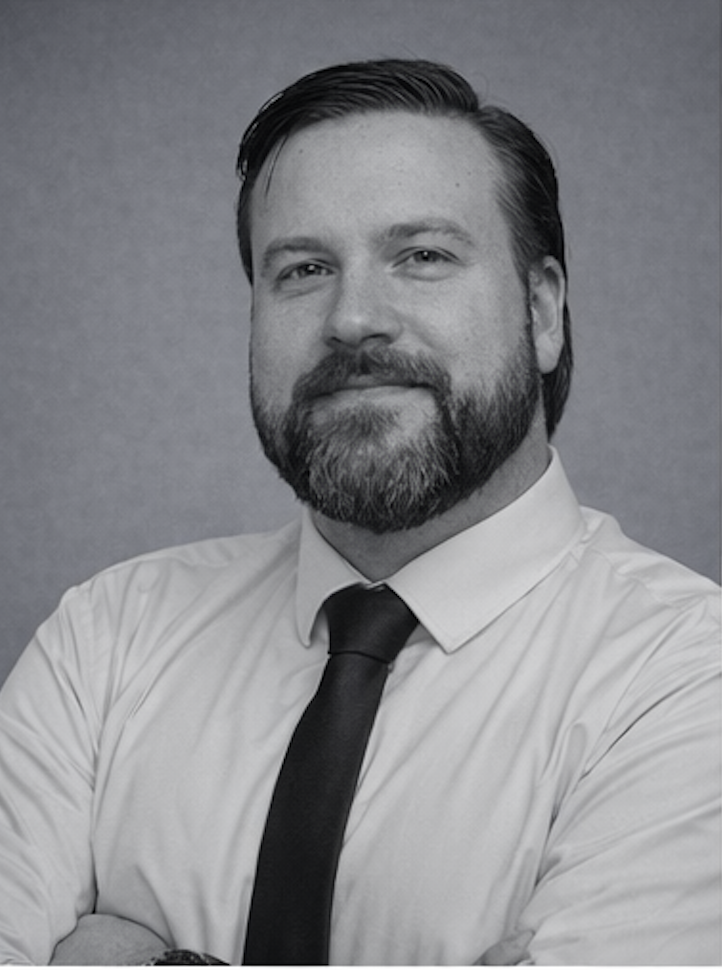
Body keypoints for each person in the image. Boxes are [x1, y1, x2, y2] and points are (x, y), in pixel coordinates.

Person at [0, 59, 719, 966]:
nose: (353, 319)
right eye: (302, 269)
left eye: (422, 256)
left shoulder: (689, 682)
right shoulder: (104, 643)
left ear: (542, 312)